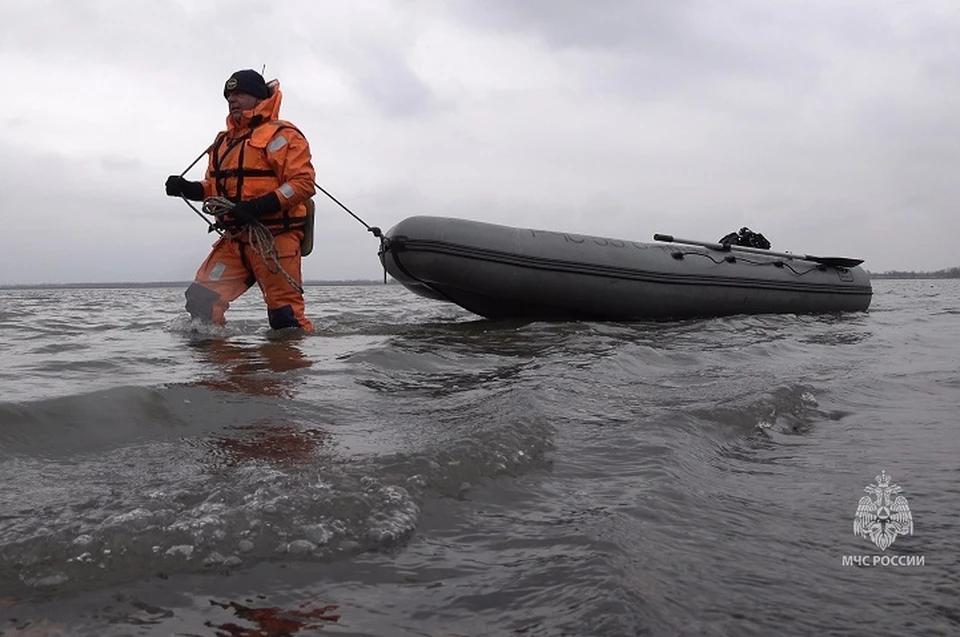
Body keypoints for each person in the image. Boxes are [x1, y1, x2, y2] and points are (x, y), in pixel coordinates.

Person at [165, 69, 316, 331]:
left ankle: (290, 368)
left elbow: (302, 184)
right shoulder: (222, 143)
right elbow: (214, 187)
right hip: (235, 239)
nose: (232, 100)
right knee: (201, 300)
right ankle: (222, 367)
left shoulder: (283, 135)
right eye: (229, 95)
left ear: (258, 97)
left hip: (275, 237)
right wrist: (188, 189)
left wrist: (258, 207)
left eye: (240, 94)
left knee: (285, 318)